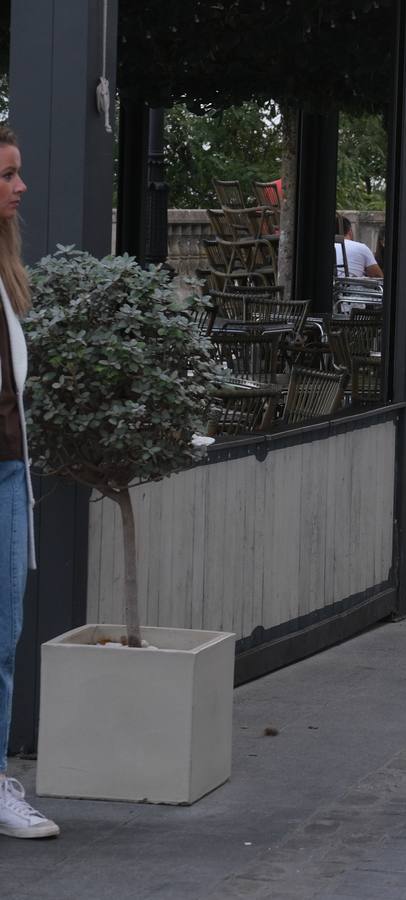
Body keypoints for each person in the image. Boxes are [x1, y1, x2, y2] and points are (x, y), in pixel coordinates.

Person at [0, 127, 59, 840]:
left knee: (3, 634)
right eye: (9, 176)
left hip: (10, 471)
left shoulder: (9, 269)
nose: (20, 188)